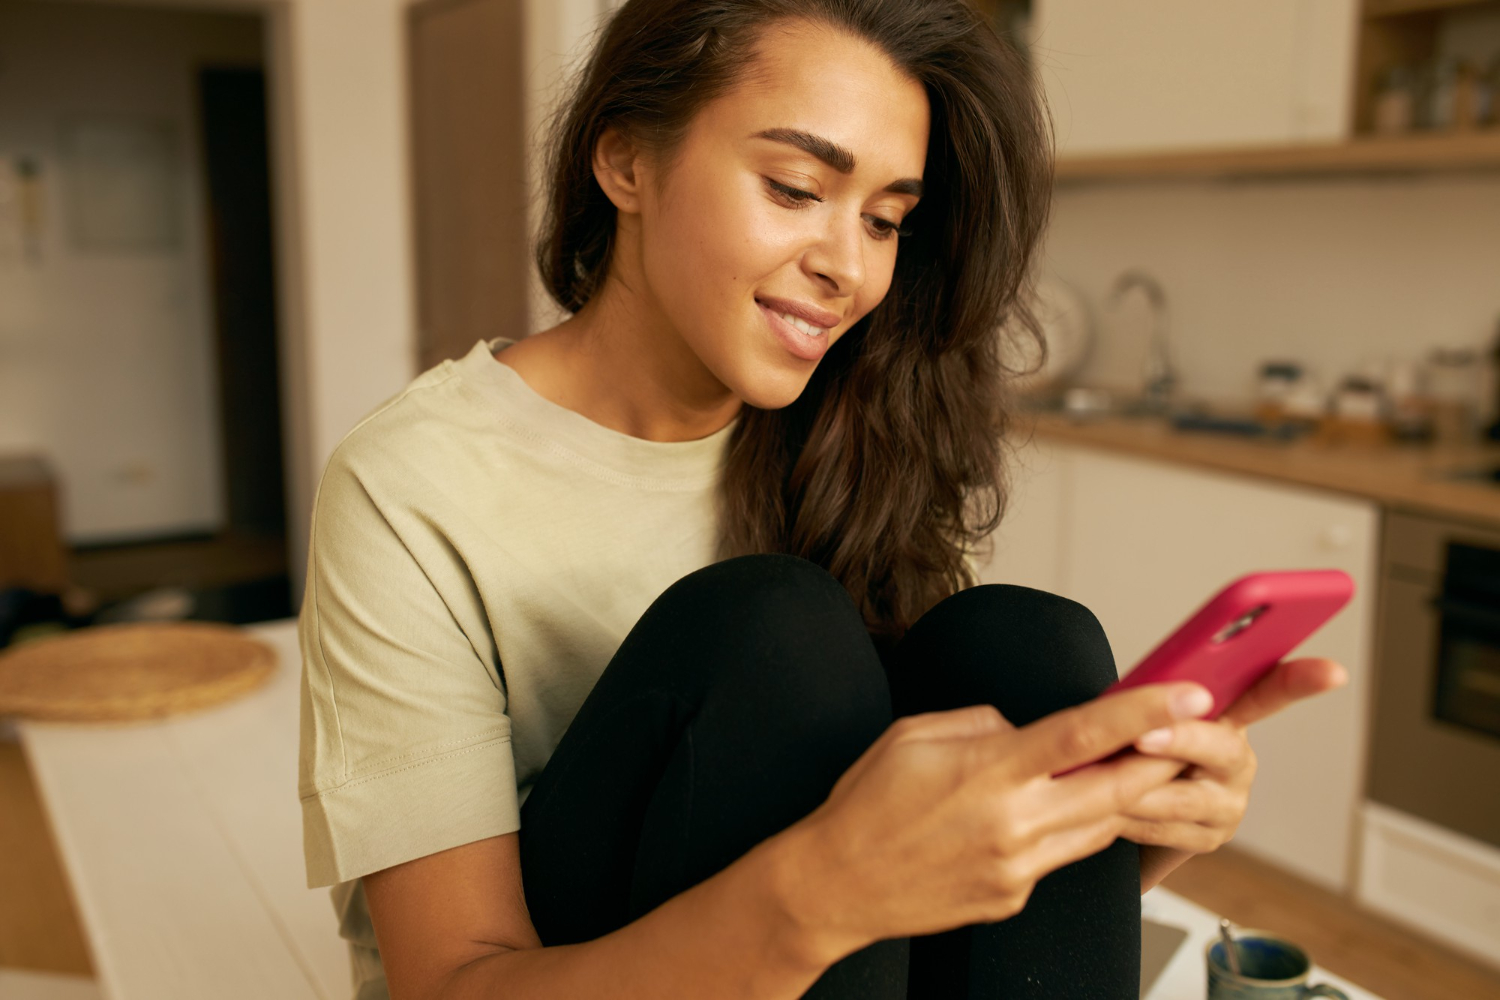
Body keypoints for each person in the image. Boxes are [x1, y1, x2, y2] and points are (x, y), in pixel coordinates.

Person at [296, 1, 1348, 997]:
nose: (849, 266)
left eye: (888, 219)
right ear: (624, 159)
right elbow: (454, 981)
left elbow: (933, 889)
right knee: (775, 627)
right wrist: (816, 896)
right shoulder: (413, 482)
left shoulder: (862, 430)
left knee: (1028, 646)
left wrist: (1126, 830)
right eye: (797, 187)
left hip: (834, 961)